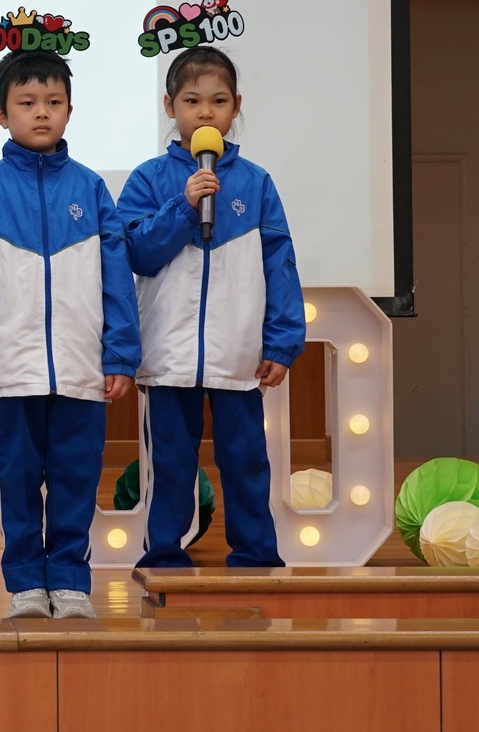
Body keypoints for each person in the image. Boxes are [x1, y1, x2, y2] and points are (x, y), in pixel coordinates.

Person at [0, 48, 140, 619]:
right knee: (18, 480)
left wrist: (120, 353)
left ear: (70, 110)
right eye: (27, 103)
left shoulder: (91, 188)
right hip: (11, 370)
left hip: (81, 368)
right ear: (1, 114)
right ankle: (26, 582)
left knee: (77, 478)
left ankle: (71, 581)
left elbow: (117, 277)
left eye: (54, 102)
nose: (42, 112)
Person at [120, 45, 305, 569]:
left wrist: (282, 341)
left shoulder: (256, 182)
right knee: (171, 464)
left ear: (236, 106)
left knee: (246, 461)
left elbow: (280, 264)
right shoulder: (149, 179)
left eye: (219, 101)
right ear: (169, 106)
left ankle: (256, 557)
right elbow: (136, 253)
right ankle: (164, 557)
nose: (206, 112)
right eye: (192, 100)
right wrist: (184, 204)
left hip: (237, 354)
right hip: (169, 355)